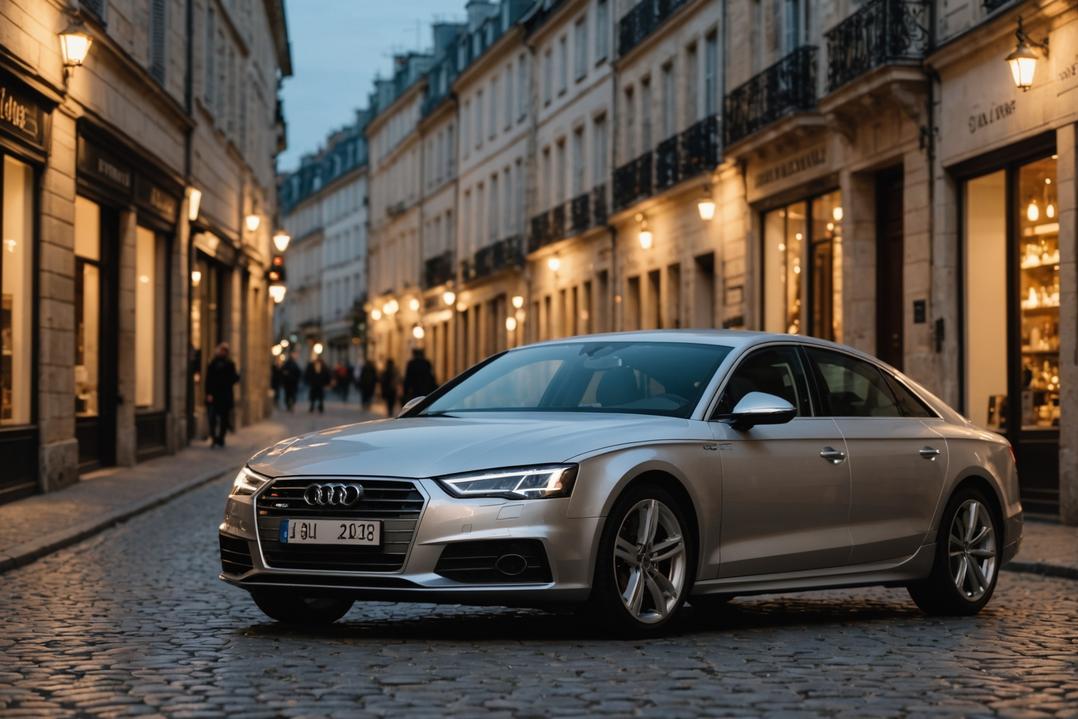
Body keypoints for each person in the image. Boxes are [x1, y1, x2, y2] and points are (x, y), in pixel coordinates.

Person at [205, 342, 240, 448]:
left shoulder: (230, 364)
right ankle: (214, 438)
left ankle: (221, 438)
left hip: (225, 396)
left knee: (224, 418)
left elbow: (234, 378)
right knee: (212, 418)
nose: (223, 352)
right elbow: (208, 379)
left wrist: (234, 378)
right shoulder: (213, 363)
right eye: (221, 350)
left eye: (225, 351)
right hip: (215, 395)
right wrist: (208, 393)